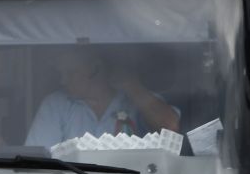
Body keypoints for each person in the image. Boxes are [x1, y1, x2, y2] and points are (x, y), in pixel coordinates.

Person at [25, 45, 182, 149]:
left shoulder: (135, 98)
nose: (62, 80)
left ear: (95, 68)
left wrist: (133, 87)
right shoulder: (55, 104)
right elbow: (40, 161)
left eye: (70, 73)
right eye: (61, 74)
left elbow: (170, 127)